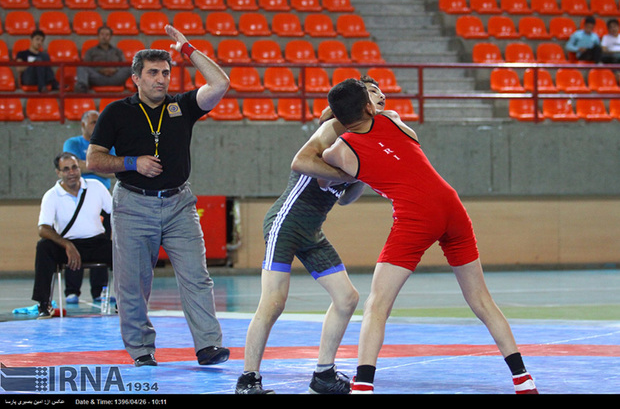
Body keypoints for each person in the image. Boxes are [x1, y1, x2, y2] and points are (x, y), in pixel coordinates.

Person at [295, 79, 539, 394]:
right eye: (373, 94)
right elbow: (389, 130)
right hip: (452, 206)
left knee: (378, 304)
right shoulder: (392, 122)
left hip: (416, 215)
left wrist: (344, 163)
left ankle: (363, 385)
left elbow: (304, 164)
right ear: (369, 107)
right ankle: (523, 378)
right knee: (481, 299)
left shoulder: (339, 150)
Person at [86, 25, 231, 368]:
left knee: (197, 276)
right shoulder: (116, 112)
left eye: (165, 73)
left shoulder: (183, 105)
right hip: (133, 204)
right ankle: (141, 349)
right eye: (152, 73)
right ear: (136, 78)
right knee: (133, 284)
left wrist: (187, 50)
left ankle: (208, 345)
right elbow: (94, 160)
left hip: (179, 203)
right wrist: (132, 162)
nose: (161, 79)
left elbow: (220, 83)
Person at [233, 77, 384, 395]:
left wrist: (363, 178)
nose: (381, 97)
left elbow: (344, 198)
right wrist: (346, 174)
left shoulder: (365, 142)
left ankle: (324, 375)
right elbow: (300, 161)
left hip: (311, 230)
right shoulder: (333, 128)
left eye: (382, 93)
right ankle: (248, 380)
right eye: (374, 92)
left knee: (347, 299)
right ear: (361, 103)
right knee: (273, 303)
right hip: (285, 223)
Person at [33, 152, 112, 319]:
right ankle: (43, 304)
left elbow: (116, 214)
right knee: (43, 247)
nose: (71, 172)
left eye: (75, 167)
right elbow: (43, 228)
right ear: (58, 173)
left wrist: (115, 237)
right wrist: (67, 245)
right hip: (68, 246)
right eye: (66, 169)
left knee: (124, 250)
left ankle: (126, 302)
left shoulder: (96, 187)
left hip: (96, 243)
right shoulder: (51, 195)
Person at [63, 110, 116, 189]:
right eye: (94, 122)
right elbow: (71, 167)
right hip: (78, 190)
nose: (98, 126)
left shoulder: (109, 145)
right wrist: (101, 166)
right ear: (83, 125)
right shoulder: (72, 143)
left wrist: (88, 166)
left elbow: (115, 172)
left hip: (102, 191)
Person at [75, 26, 132, 93]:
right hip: (98, 77)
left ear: (110, 37)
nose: (104, 37)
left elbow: (123, 65)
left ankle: (141, 88)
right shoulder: (91, 51)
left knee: (131, 66)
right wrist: (100, 70)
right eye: (102, 34)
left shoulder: (117, 51)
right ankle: (82, 87)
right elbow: (87, 65)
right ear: (98, 36)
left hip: (115, 78)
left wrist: (115, 70)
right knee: (82, 66)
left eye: (107, 35)